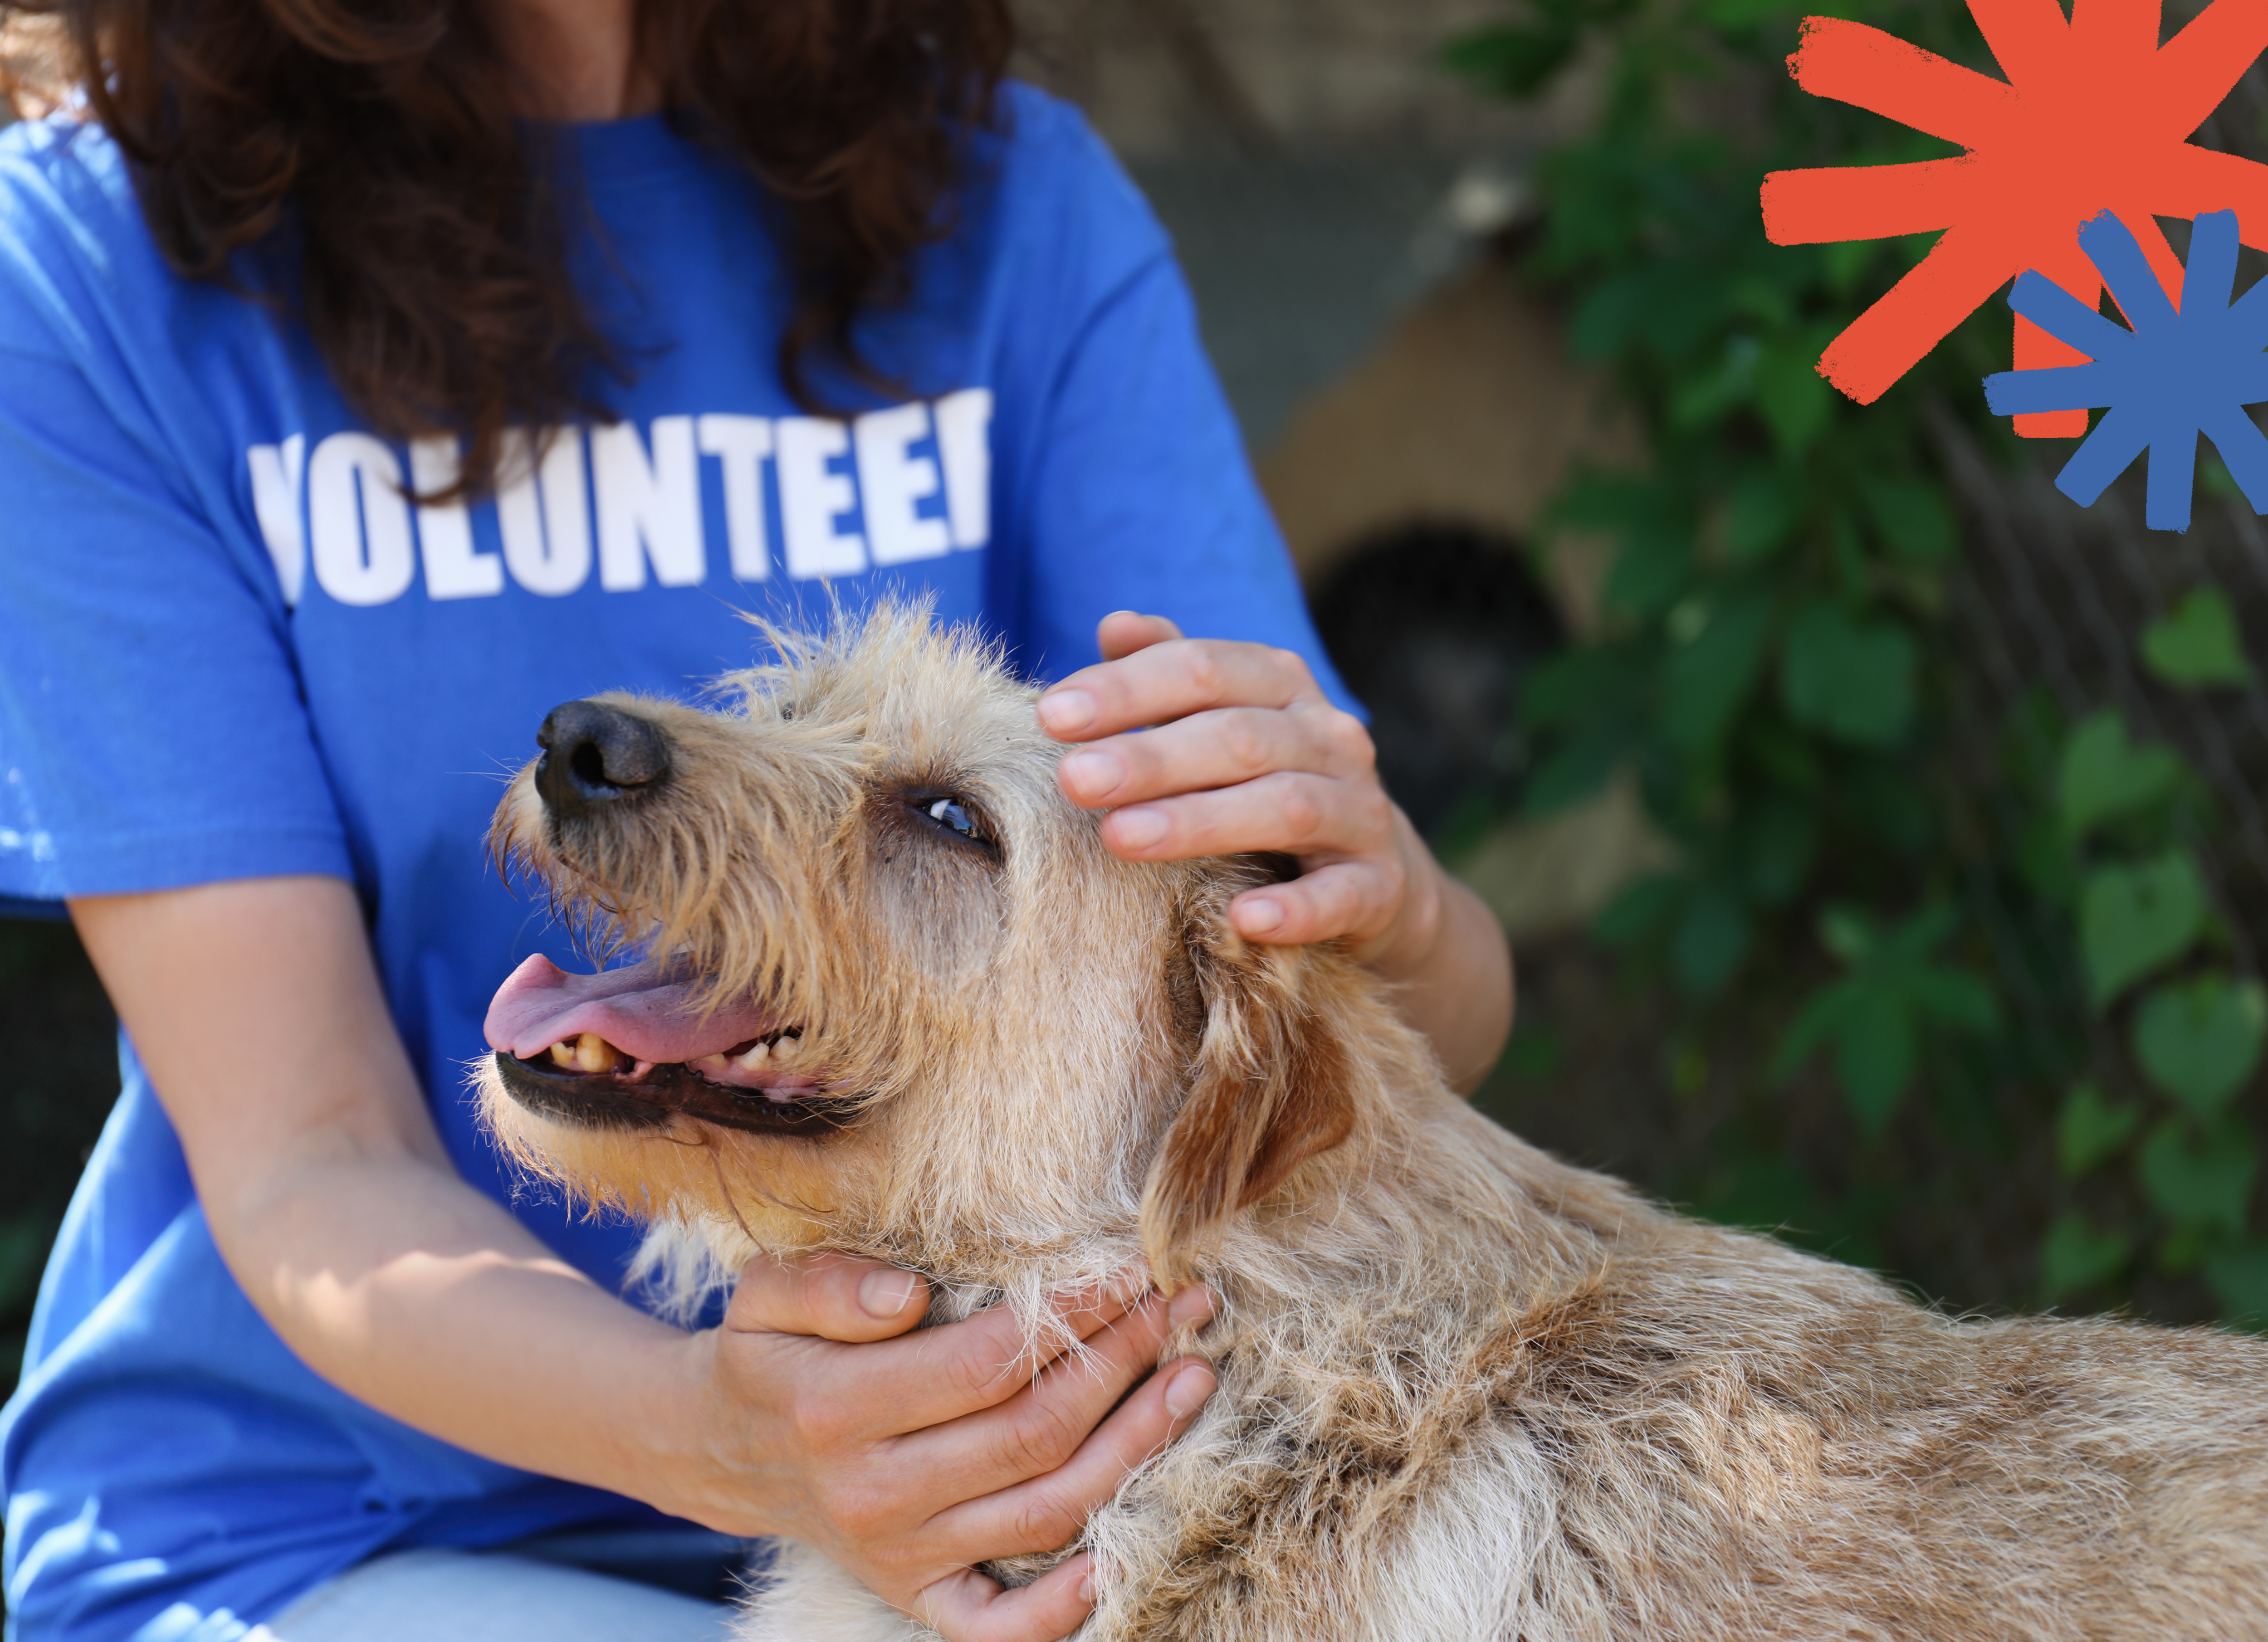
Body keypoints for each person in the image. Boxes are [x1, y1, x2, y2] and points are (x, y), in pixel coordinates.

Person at [0, 0, 1515, 1634]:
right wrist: (729, 1442)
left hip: (1009, 1503)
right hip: (337, 1528)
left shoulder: (1008, 201)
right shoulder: (94, 258)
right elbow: (313, 1152)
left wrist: (1392, 907)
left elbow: (1366, 1024)